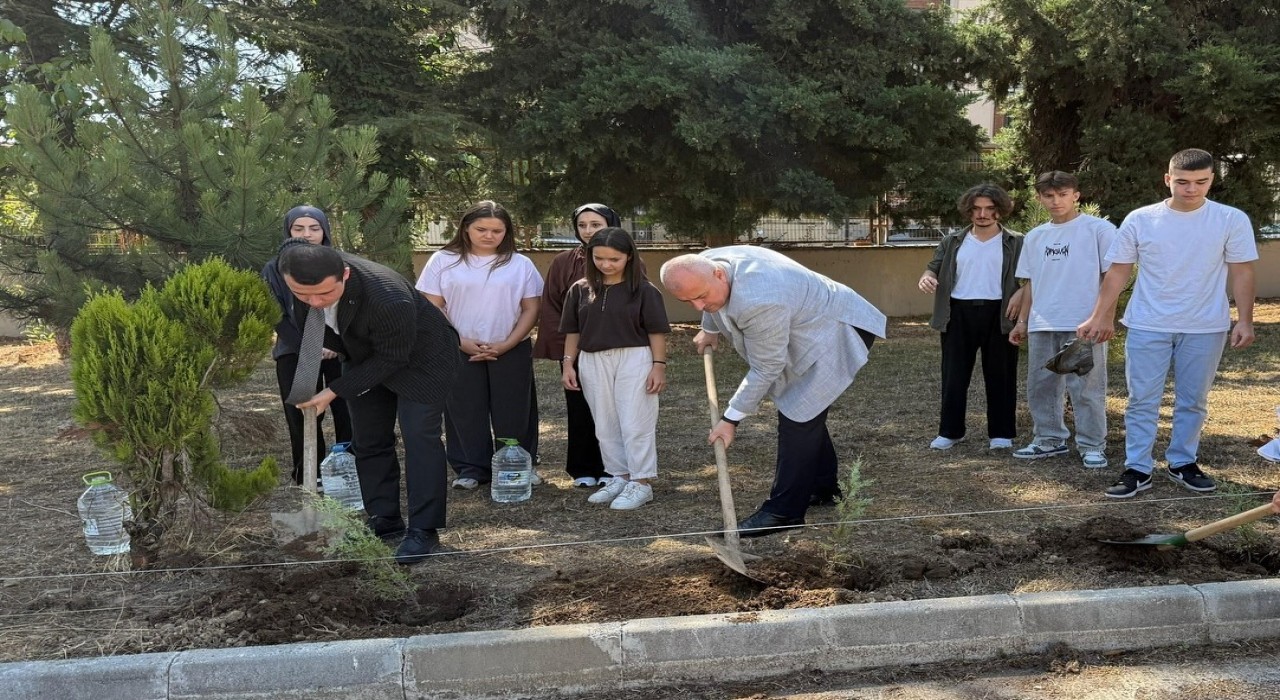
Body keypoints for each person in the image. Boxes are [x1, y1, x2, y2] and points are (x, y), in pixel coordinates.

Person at [660, 247, 886, 537]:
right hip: (804, 318)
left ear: (718, 273)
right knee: (804, 409)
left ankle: (783, 512)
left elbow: (766, 367)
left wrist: (730, 420)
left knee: (799, 415)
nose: (698, 305)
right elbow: (706, 298)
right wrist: (711, 327)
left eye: (701, 296)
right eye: (687, 301)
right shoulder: (708, 262)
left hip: (838, 326)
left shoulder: (759, 298)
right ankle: (823, 487)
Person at [1079, 148, 1257, 499]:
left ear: (1211, 180)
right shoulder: (1141, 219)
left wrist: (1245, 320)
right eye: (1182, 182)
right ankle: (1137, 468)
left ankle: (1183, 462)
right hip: (1149, 323)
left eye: (1200, 182)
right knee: (1142, 399)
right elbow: (1118, 271)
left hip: (1206, 325)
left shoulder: (1230, 219)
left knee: (1193, 400)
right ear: (1167, 179)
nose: (1191, 189)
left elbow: (1242, 271)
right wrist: (1099, 314)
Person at [278, 243, 460, 565]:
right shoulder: (303, 284)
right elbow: (312, 329)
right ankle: (383, 520)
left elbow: (393, 357)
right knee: (369, 440)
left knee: (420, 438)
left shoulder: (388, 296)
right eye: (305, 296)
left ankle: (423, 530)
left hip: (422, 359)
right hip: (363, 357)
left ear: (345, 274)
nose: (314, 302)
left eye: (323, 294)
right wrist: (307, 383)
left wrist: (333, 390)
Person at [416, 201, 544, 490]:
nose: (489, 235)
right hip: (457, 347)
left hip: (510, 347)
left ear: (506, 232)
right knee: (464, 407)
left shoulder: (520, 264)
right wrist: (460, 341)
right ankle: (471, 468)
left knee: (514, 407)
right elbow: (431, 306)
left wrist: (507, 343)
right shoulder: (442, 260)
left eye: (497, 230)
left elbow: (531, 309)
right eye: (481, 229)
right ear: (465, 228)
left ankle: (519, 462)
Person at [1008, 172, 1116, 468]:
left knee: (1086, 387)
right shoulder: (1035, 236)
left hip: (1084, 324)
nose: (1056, 201)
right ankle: (1048, 439)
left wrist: (1104, 318)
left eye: (1063, 194)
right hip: (1043, 322)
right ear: (1039, 198)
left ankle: (1092, 444)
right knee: (1041, 385)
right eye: (1049, 196)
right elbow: (1031, 283)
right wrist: (1023, 322)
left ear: (1076, 195)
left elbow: (1112, 277)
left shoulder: (1099, 229)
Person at [560, 228, 670, 510]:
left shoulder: (644, 290)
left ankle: (641, 482)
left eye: (614, 259)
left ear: (629, 257)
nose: (606, 265)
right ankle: (619, 476)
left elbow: (656, 331)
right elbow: (573, 331)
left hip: (634, 357)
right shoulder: (580, 289)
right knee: (604, 422)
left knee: (635, 420)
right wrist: (568, 363)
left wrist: (658, 365)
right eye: (599, 258)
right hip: (592, 359)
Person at [918, 184, 1024, 451]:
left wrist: (1022, 295)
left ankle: (1001, 433)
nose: (982, 214)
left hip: (1000, 313)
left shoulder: (1016, 241)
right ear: (968, 210)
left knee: (1001, 375)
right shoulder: (952, 241)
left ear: (1000, 210)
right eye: (976, 209)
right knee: (954, 375)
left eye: (989, 208)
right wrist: (927, 277)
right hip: (958, 313)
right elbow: (933, 268)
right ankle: (950, 431)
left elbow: (1032, 276)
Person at [261, 206, 353, 487]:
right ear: (288, 231)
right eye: (298, 228)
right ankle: (309, 473)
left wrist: (333, 344)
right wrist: (310, 347)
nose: (307, 234)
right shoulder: (274, 268)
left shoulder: (340, 263)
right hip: (295, 351)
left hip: (340, 350)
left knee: (346, 410)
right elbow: (276, 313)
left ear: (325, 230)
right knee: (300, 412)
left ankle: (349, 467)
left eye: (314, 228)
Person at [533, 204, 620, 488]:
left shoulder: (629, 259)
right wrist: (567, 354)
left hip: (616, 348)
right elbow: (554, 308)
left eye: (595, 224)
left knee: (613, 408)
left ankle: (614, 467)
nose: (588, 231)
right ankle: (583, 466)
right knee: (580, 406)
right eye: (582, 225)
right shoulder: (562, 262)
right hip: (577, 350)